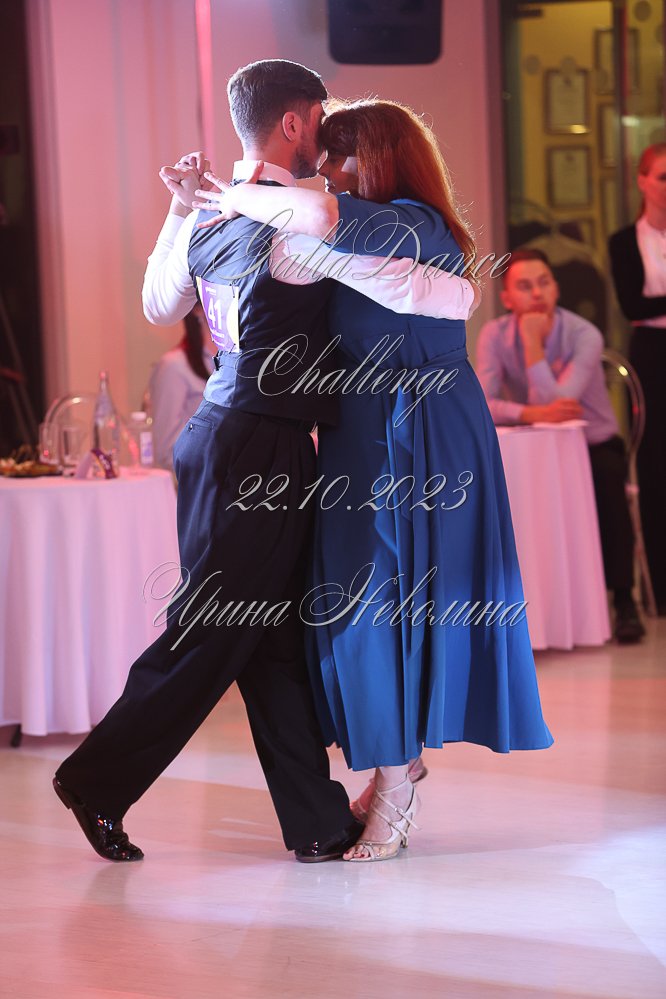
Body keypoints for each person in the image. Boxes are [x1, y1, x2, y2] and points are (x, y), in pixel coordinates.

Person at [53, 61, 476, 865]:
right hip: (257, 443)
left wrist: (185, 204)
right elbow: (357, 245)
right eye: (321, 122)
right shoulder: (296, 217)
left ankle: (315, 819)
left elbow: (158, 302)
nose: (329, 142)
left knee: (274, 634)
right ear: (295, 122)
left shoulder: (208, 217)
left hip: (227, 436)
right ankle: (96, 778)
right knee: (212, 629)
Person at [194, 99, 554, 862]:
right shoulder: (352, 226)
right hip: (360, 429)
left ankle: (395, 780)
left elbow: (322, 222)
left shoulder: (416, 224)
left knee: (388, 602)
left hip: (423, 427)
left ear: (377, 158)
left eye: (337, 156)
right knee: (358, 605)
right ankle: (397, 762)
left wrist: (228, 192)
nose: (324, 171)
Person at [476, 248, 645, 644]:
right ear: (507, 298)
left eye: (544, 282)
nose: (537, 293)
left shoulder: (584, 334)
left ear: (556, 288)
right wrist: (530, 413)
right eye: (525, 286)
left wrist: (532, 345)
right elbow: (485, 402)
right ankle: (521, 603)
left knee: (607, 480)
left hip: (592, 443)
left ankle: (623, 600)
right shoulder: (494, 335)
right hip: (529, 447)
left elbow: (560, 402)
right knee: (495, 482)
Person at [609, 144, 666, 615]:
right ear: (643, 181)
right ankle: (659, 589)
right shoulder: (624, 240)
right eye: (663, 177)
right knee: (654, 462)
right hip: (651, 351)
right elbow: (633, 305)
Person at [147, 304, 216, 471]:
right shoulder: (175, 365)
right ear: (197, 309)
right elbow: (166, 450)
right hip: (206, 479)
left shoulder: (235, 361)